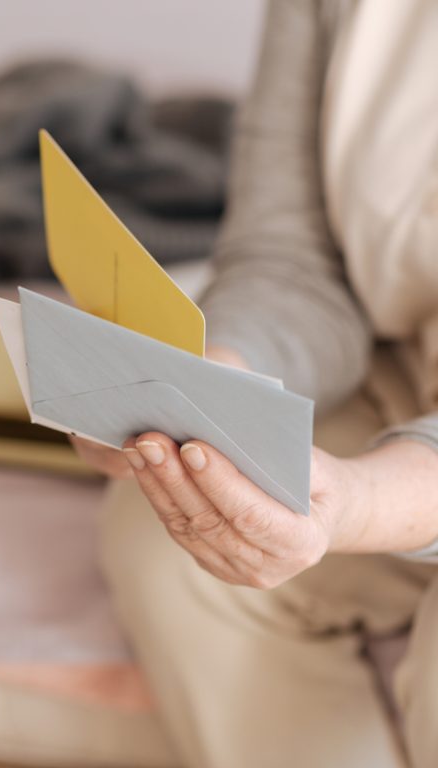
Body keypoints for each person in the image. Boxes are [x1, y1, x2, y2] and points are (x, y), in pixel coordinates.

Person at [72, 1, 438, 766]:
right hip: (408, 361)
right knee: (168, 545)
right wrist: (216, 379)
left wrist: (360, 502)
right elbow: (292, 256)